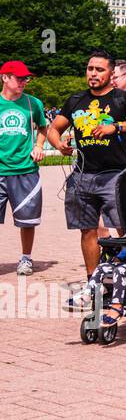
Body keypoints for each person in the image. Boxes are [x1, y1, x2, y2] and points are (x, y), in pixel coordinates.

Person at [46, 51, 126, 276]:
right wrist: (59, 145)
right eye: (90, 69)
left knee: (125, 229)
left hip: (116, 175)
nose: (93, 74)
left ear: (110, 73)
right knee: (87, 231)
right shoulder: (76, 100)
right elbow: (54, 129)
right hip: (82, 175)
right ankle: (92, 281)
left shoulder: (123, 98)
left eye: (100, 69)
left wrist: (115, 127)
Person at [1, 60, 47, 276]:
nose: (24, 81)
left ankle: (26, 258)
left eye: (25, 78)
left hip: (25, 170)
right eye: (19, 78)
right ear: (5, 78)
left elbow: (43, 128)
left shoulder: (33, 104)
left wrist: (38, 146)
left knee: (27, 220)